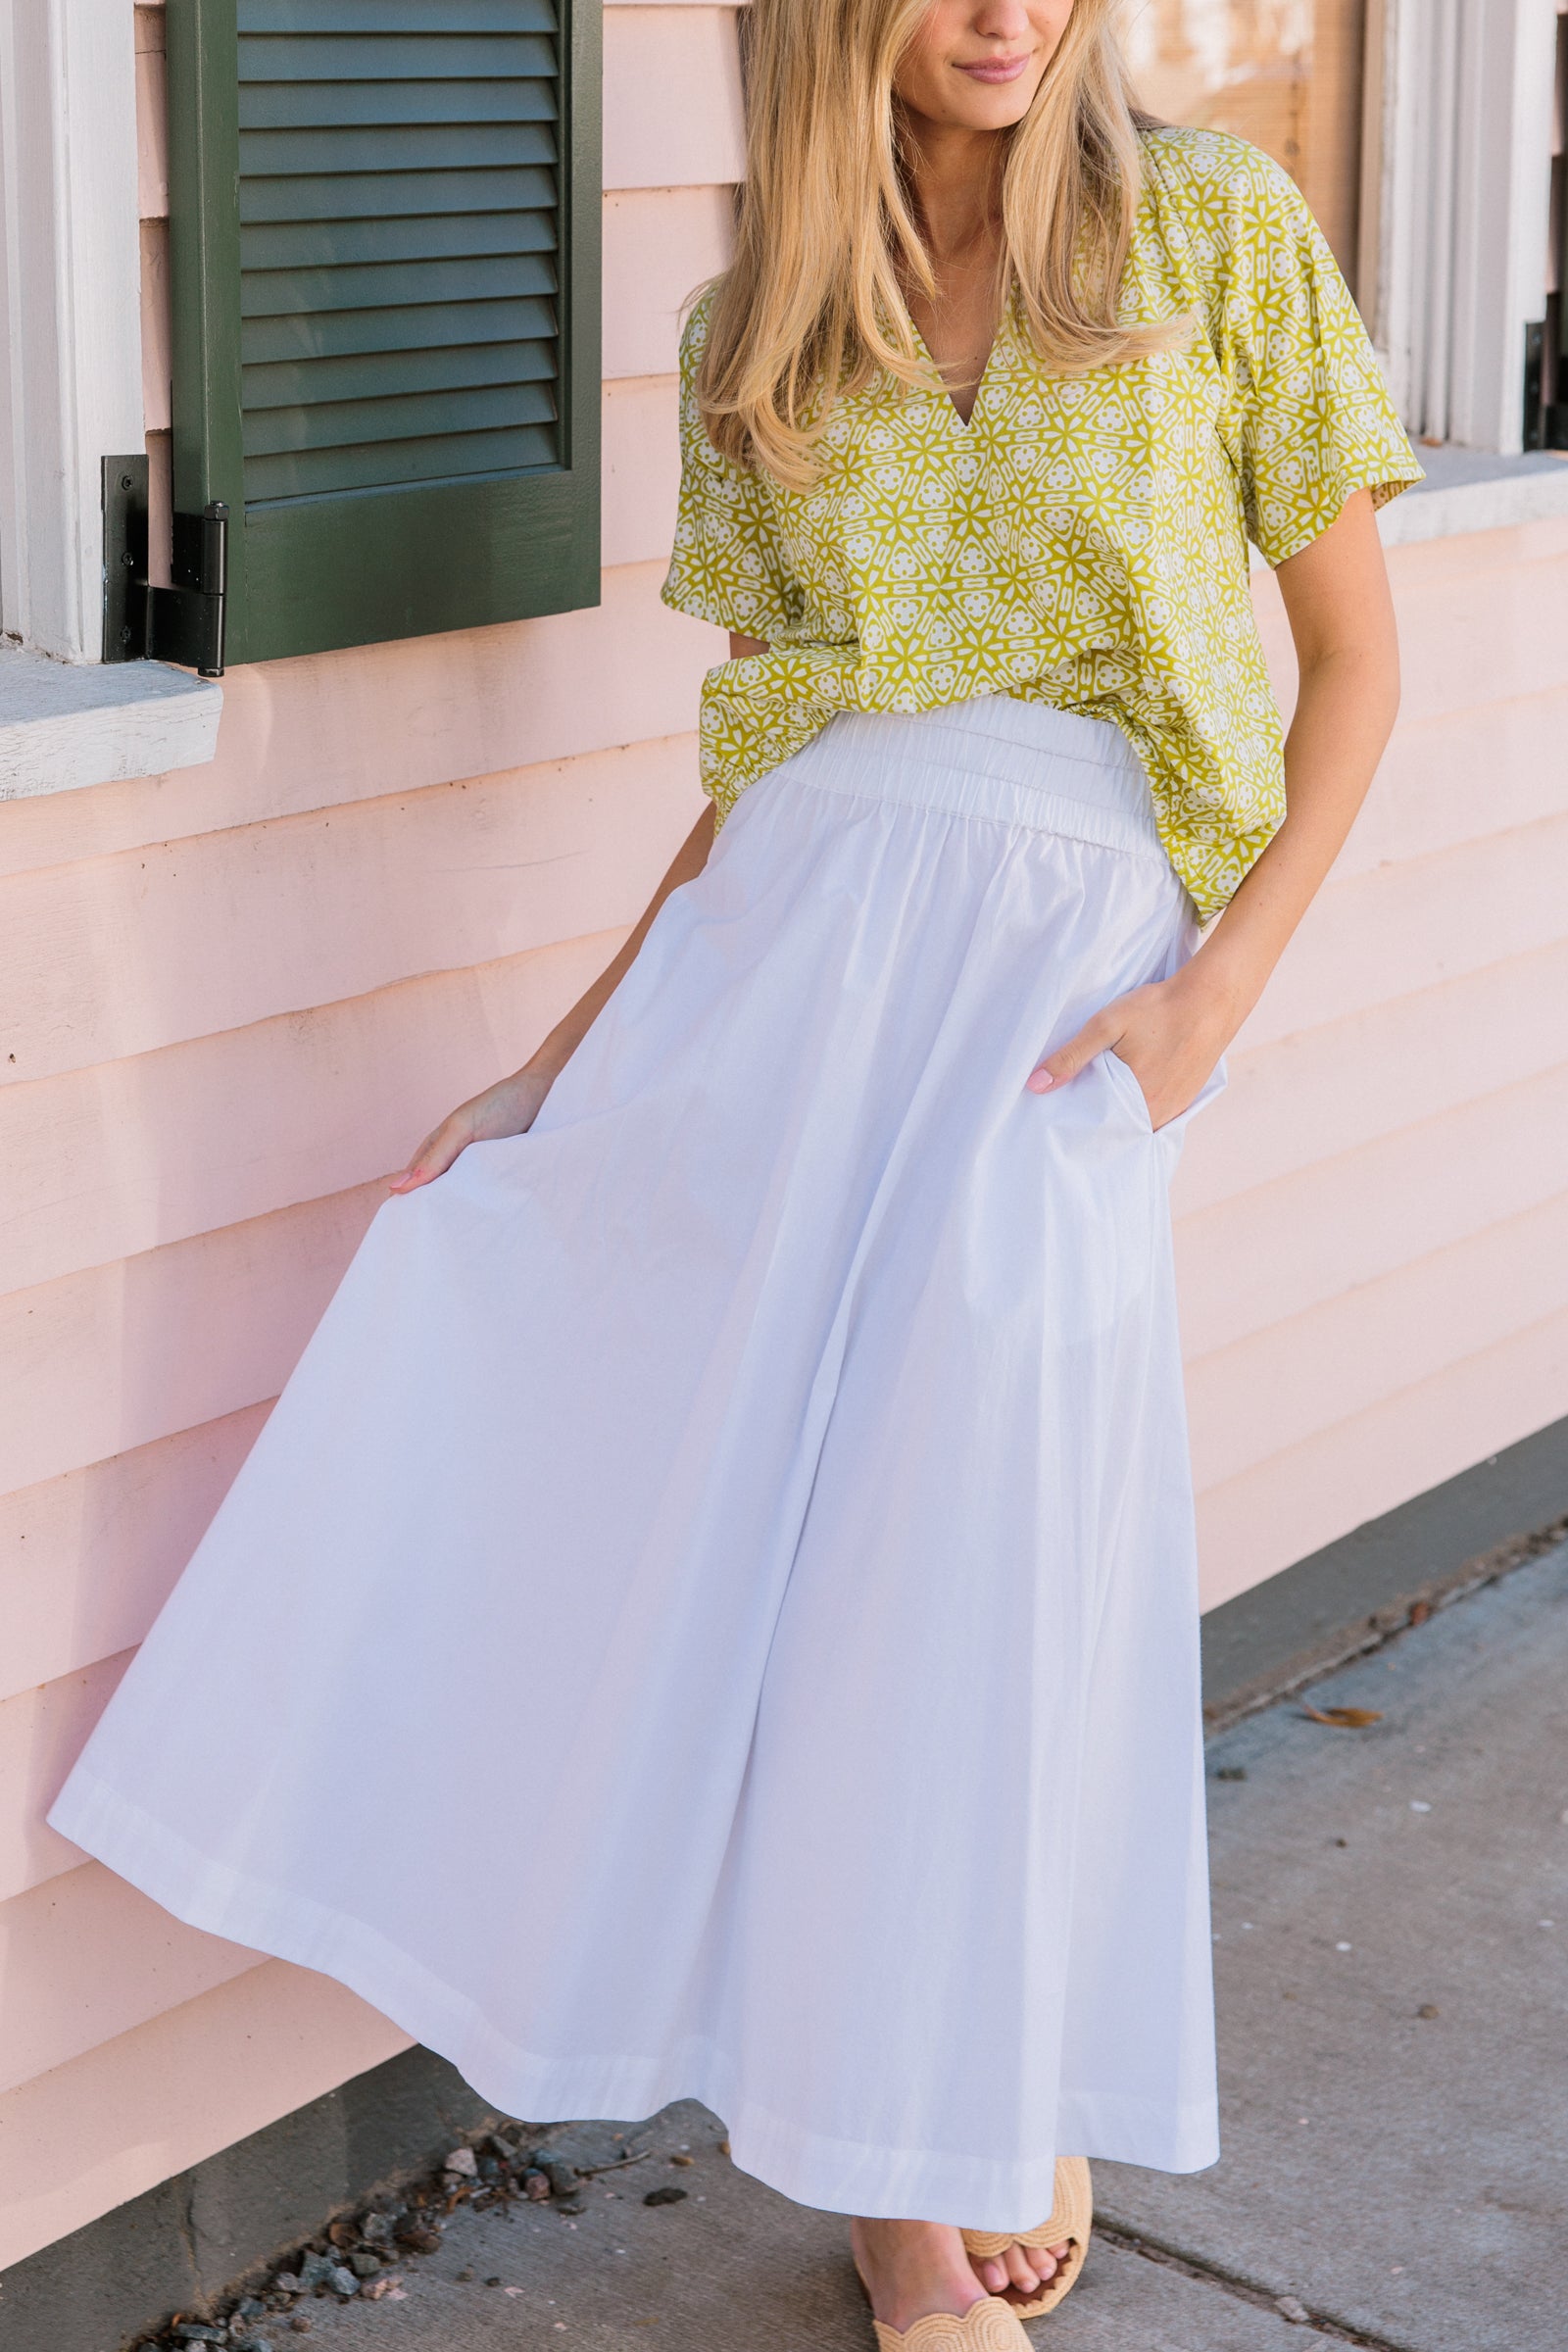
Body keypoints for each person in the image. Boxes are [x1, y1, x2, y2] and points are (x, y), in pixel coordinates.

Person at [49, 0, 1420, 2343]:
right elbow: (763, 760)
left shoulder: (1210, 229)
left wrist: (1208, 1003)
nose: (1002, 12)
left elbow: (1354, 670)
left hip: (1060, 978)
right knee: (738, 1535)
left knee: (973, 1555)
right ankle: (899, 2196)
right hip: (787, 952)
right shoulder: (752, 325)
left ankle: (978, 2069)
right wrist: (559, 1063)